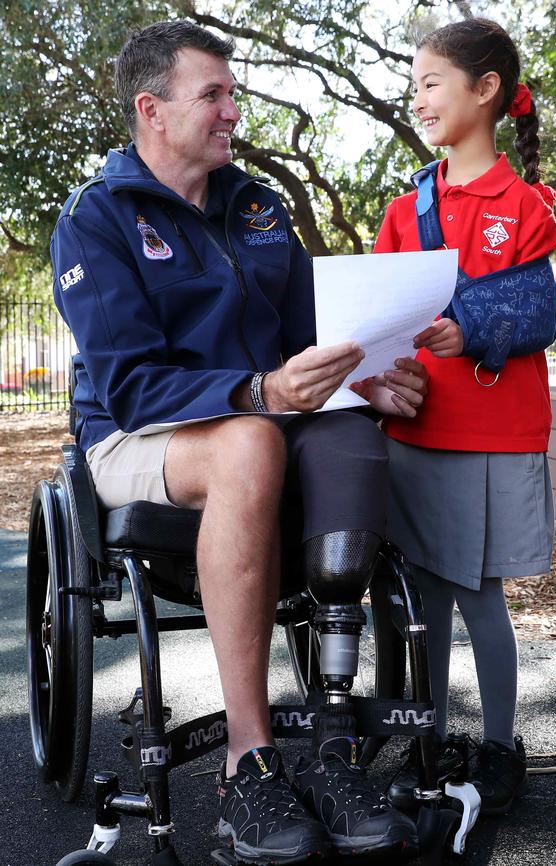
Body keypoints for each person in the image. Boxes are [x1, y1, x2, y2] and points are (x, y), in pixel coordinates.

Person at [50, 20, 426, 864]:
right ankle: (246, 766)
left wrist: (363, 376)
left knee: (351, 440)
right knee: (252, 444)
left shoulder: (257, 206)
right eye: (213, 95)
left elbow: (305, 341)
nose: (232, 110)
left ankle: (334, 751)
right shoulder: (96, 220)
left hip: (262, 420)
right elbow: (130, 386)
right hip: (141, 438)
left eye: (233, 92)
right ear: (152, 109)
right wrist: (260, 395)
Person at [374, 17, 556, 816]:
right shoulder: (402, 208)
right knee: (422, 601)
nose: (416, 99)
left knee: (481, 596)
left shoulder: (523, 205)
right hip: (416, 433)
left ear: (485, 91)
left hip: (491, 434)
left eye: (428, 83)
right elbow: (377, 321)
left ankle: (498, 745)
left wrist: (472, 326)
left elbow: (537, 311)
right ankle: (430, 738)